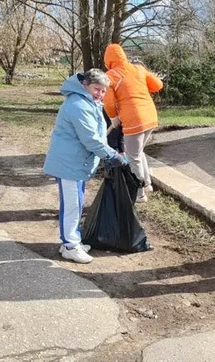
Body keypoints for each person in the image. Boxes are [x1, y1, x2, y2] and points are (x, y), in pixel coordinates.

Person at [43, 68, 127, 264]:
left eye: (103, 91)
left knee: (76, 203)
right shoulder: (78, 105)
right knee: (72, 206)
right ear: (85, 85)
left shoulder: (87, 102)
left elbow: (96, 136)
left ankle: (72, 241)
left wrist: (110, 153)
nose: (100, 94)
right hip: (69, 163)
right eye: (97, 89)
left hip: (75, 162)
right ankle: (70, 246)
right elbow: (91, 139)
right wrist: (111, 155)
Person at [103, 43, 164, 203]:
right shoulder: (138, 69)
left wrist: (113, 117)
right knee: (138, 152)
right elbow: (158, 85)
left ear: (108, 60)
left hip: (133, 119)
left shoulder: (111, 75)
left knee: (133, 157)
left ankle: (139, 193)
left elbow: (108, 101)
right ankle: (147, 184)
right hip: (150, 116)